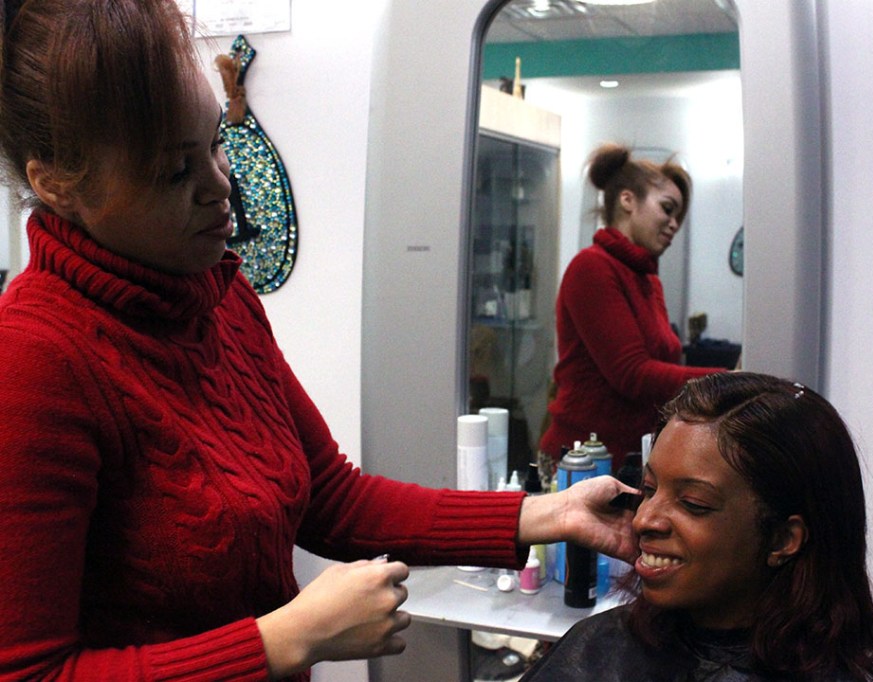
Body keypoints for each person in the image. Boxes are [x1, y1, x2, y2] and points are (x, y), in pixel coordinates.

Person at [0, 2, 638, 680]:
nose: (222, 186)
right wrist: (285, 639)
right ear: (57, 184)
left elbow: (333, 499)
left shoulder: (222, 300)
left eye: (214, 143)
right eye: (174, 173)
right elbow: (30, 673)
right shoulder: (33, 363)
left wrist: (548, 513)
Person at [523, 372, 873, 682]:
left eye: (693, 503)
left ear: (782, 539)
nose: (643, 519)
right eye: (648, 489)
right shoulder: (597, 650)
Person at [538, 143, 724, 473]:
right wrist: (725, 380)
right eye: (667, 209)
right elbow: (632, 373)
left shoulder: (647, 279)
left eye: (678, 216)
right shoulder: (592, 267)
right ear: (628, 200)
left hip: (631, 457)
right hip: (585, 462)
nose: (674, 224)